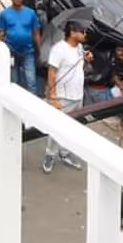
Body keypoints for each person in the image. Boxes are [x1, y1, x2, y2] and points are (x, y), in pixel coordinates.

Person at [44, 22, 90, 173]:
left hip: (78, 95)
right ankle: (50, 155)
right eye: (82, 31)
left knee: (72, 128)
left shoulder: (79, 47)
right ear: (72, 32)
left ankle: (65, 153)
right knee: (57, 128)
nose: (85, 34)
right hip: (63, 97)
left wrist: (87, 58)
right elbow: (52, 72)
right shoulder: (58, 49)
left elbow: (79, 66)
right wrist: (53, 97)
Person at [0, 0, 41, 92]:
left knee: (31, 81)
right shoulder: (4, 14)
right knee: (14, 82)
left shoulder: (31, 13)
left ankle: (32, 103)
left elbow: (36, 33)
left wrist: (39, 51)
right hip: (11, 52)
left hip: (28, 51)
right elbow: (2, 33)